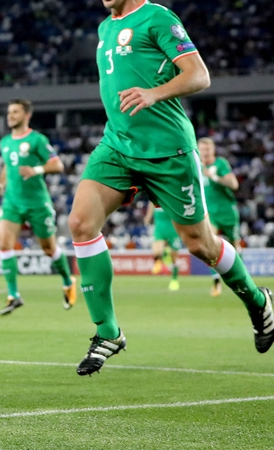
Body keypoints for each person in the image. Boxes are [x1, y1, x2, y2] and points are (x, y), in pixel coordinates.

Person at [67, 0, 272, 376]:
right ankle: (108, 332)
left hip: (168, 150)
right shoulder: (105, 28)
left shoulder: (157, 17)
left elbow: (199, 75)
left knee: (200, 244)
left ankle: (258, 300)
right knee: (80, 222)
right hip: (117, 145)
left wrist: (154, 93)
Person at [0, 99, 76, 314]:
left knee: (49, 249)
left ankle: (68, 281)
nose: (10, 115)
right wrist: (1, 184)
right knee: (4, 245)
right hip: (12, 202)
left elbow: (57, 165)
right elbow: (7, 167)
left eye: (15, 112)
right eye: (9, 111)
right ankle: (14, 295)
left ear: (27, 115)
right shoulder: (5, 142)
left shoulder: (37, 139)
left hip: (37, 203)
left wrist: (36, 170)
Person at [199, 137, 241, 297]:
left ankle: (239, 277)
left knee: (235, 245)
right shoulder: (197, 166)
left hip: (227, 210)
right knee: (209, 245)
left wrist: (213, 177)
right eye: (202, 149)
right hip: (209, 213)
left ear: (213, 150)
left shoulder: (220, 164)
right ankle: (216, 282)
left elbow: (234, 185)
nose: (205, 153)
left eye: (207, 149)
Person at [143, 204, 181, 291]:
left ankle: (174, 280)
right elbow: (151, 202)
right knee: (157, 251)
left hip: (173, 226)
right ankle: (161, 257)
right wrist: (148, 216)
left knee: (174, 258)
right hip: (160, 225)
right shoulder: (156, 191)